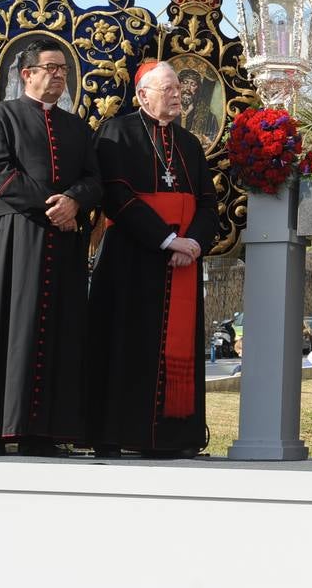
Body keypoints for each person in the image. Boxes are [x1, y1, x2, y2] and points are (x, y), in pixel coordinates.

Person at [0, 36, 101, 456]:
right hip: (17, 238)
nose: (58, 76)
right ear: (27, 74)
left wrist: (74, 201)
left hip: (66, 242)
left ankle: (48, 432)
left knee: (61, 331)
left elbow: (95, 179)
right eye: (50, 68)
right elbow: (2, 176)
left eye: (63, 70)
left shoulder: (78, 127)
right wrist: (54, 207)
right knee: (10, 328)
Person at [85, 61, 216, 457]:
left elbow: (208, 203)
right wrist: (167, 240)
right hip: (132, 262)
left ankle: (174, 438)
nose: (178, 95)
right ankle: (121, 435)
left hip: (183, 266)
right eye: (168, 89)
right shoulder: (117, 132)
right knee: (126, 346)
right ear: (143, 94)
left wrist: (191, 242)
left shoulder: (189, 144)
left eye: (180, 88)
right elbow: (118, 197)